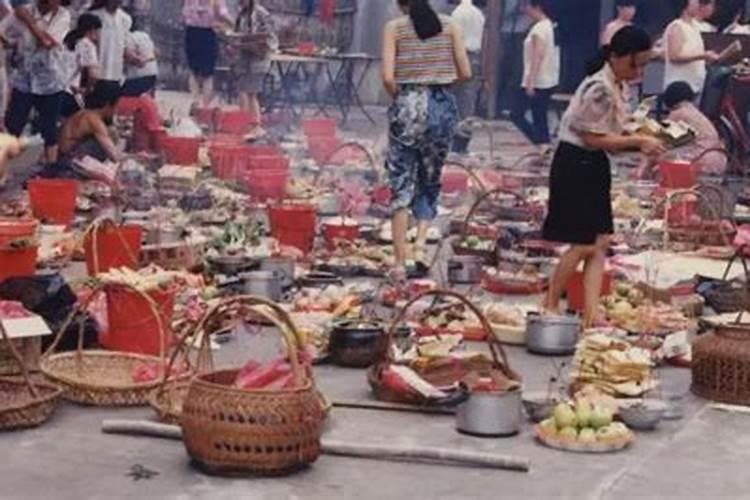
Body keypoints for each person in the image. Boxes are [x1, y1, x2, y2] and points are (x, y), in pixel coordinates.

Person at [542, 26, 666, 327]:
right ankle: (549, 303)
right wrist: (637, 142)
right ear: (615, 57)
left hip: (593, 164)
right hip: (575, 163)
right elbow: (594, 138)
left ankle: (591, 312)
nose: (638, 71)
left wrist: (643, 139)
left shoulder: (618, 86)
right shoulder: (598, 87)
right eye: (633, 63)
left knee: (599, 242)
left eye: (643, 65)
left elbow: (613, 135)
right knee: (582, 242)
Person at [382, 0, 471, 282]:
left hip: (407, 104)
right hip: (441, 105)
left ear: (400, 4)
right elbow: (466, 73)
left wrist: (404, 96)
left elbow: (387, 77)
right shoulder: (450, 26)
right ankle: (420, 246)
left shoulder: (394, 28)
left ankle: (399, 262)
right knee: (429, 177)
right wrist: (440, 88)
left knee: (401, 183)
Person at [3, 0, 70, 166]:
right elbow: (3, 31)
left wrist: (28, 20)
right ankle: (3, 168)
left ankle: (51, 169)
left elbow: (47, 43)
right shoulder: (24, 10)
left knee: (49, 127)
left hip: (51, 81)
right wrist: (12, 44)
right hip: (24, 79)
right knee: (14, 125)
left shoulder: (62, 15)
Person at [510, 0, 560, 151]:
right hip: (546, 78)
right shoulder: (548, 25)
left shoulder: (539, 29)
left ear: (536, 7)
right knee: (539, 114)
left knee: (517, 113)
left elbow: (537, 55)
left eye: (528, 7)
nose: (525, 10)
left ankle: (540, 141)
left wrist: (530, 81)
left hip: (537, 79)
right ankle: (543, 143)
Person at [661, 80, 726, 176]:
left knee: (662, 156)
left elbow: (664, 139)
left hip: (702, 160)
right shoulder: (694, 111)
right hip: (719, 159)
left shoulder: (678, 113)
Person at [230, 0, 276, 121]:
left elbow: (267, 37)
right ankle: (246, 122)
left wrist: (247, 42)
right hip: (244, 58)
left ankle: (251, 123)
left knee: (250, 93)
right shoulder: (241, 15)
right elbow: (237, 34)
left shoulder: (261, 14)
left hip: (257, 60)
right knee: (243, 90)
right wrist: (234, 44)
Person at [450, 0, 485, 153]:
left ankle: (454, 143)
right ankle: (463, 144)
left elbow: (454, 39)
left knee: (454, 100)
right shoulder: (479, 14)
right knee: (468, 101)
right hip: (475, 57)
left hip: (460, 56)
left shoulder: (457, 13)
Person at [183, 0, 232, 108]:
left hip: (191, 32)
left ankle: (195, 101)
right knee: (208, 73)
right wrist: (233, 24)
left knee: (193, 70)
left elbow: (185, 14)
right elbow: (222, 13)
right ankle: (205, 105)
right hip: (207, 33)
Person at [664, 0, 718, 97]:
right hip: (679, 88)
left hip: (696, 86)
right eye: (695, 1)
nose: (698, 4)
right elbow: (674, 56)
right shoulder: (676, 26)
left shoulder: (695, 27)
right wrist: (703, 55)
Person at [59, 81, 122, 162]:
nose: (116, 111)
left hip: (64, 157)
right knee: (105, 140)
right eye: (116, 106)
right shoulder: (93, 120)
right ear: (108, 104)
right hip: (67, 162)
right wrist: (135, 158)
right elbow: (115, 157)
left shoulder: (85, 113)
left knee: (109, 134)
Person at [89, 0, 131, 103]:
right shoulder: (94, 16)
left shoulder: (125, 19)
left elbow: (124, 46)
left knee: (109, 114)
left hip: (116, 75)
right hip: (96, 75)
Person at [60, 12, 101, 118]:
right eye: (97, 31)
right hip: (69, 91)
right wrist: (87, 90)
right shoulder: (87, 45)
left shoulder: (67, 40)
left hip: (54, 89)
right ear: (91, 29)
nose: (98, 34)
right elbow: (93, 75)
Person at [121, 19, 157, 97]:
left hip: (138, 77)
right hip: (153, 75)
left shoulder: (128, 37)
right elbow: (156, 52)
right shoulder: (145, 36)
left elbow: (131, 57)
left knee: (115, 92)